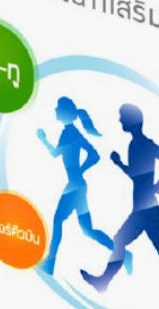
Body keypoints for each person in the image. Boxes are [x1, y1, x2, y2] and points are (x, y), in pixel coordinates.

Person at [82, 103, 159, 293]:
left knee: (120, 240)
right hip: (146, 208)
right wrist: (120, 163)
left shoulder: (144, 145)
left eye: (122, 117)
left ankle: (103, 281)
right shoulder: (136, 145)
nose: (120, 120)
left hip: (145, 210)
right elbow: (136, 175)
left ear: (131, 121)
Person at [37, 97, 112, 277]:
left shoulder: (69, 134)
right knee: (87, 230)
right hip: (77, 185)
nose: (55, 110)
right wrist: (80, 171)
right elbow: (93, 155)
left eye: (58, 108)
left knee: (58, 221)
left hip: (75, 186)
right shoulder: (71, 132)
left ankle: (49, 264)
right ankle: (122, 253)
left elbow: (56, 154)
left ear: (64, 113)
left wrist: (43, 139)